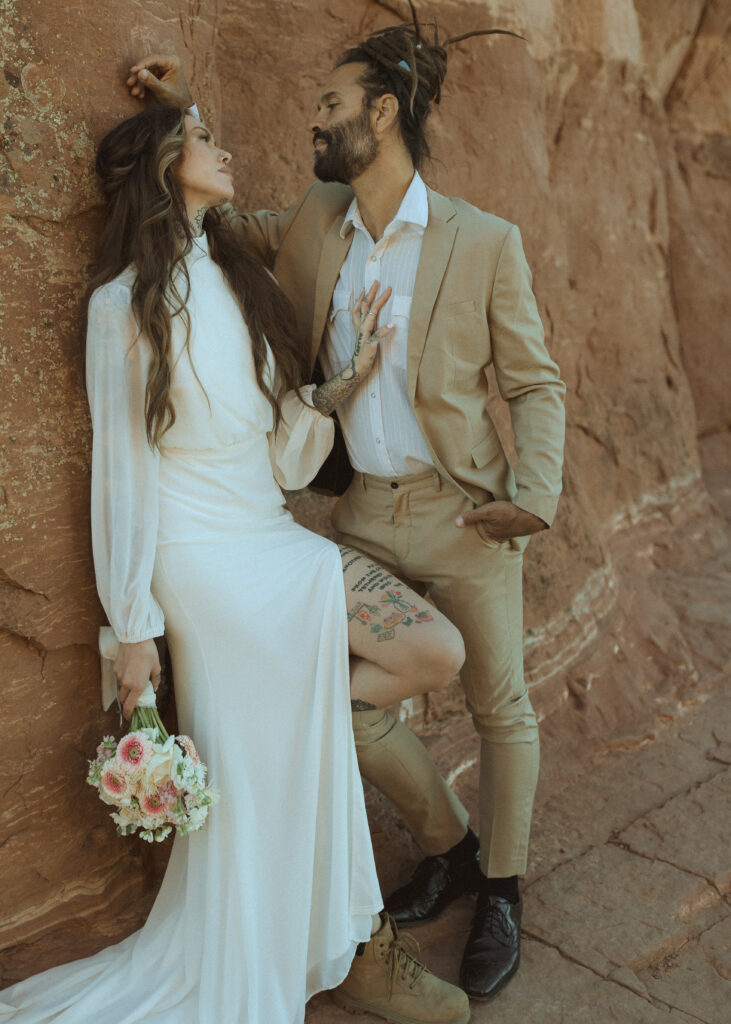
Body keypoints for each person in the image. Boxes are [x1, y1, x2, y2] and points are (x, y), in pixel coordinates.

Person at [128, 0, 566, 1005]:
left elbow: (534, 385)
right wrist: (182, 112)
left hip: (465, 514)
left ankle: (499, 889)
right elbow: (218, 216)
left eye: (329, 105)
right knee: (342, 694)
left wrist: (530, 493)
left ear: (380, 114)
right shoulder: (318, 224)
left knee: (501, 705)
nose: (312, 123)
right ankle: (447, 844)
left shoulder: (482, 241)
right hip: (360, 512)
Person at [0, 107, 471, 1024]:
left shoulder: (233, 276)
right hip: (200, 562)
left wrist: (342, 385)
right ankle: (352, 948)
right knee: (287, 739)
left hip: (271, 537)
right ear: (170, 164)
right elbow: (121, 474)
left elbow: (278, 455)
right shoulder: (118, 306)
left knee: (433, 646)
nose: (226, 149)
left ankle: (343, 929)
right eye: (205, 137)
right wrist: (132, 627)